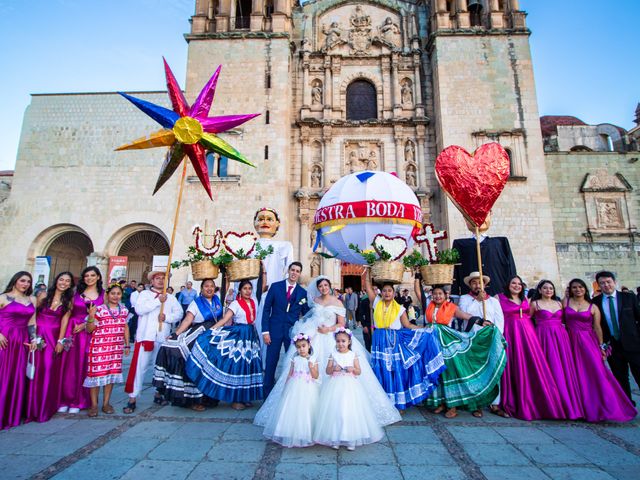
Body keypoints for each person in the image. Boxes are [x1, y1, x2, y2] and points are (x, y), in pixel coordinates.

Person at [255, 276, 401, 428]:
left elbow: (341, 324)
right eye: (321, 286)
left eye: (326, 285)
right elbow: (308, 316)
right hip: (315, 337)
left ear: (330, 286)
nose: (323, 288)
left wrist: (328, 329)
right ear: (318, 288)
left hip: (332, 338)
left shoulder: (337, 302)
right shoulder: (315, 301)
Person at [363, 270, 445, 410]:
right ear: (380, 293)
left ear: (394, 293)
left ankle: (397, 403)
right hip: (379, 340)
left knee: (394, 370)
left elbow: (407, 325)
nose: (387, 293)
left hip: (393, 341)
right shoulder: (376, 302)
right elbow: (367, 286)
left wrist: (422, 329)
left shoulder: (400, 309)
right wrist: (368, 271)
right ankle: (382, 402)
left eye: (389, 291)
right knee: (381, 369)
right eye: (384, 291)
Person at [423, 285, 506, 419]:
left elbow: (466, 316)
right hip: (432, 343)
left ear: (446, 295)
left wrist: (481, 321)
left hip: (447, 343)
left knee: (448, 372)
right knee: (436, 372)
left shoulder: (451, 308)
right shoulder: (429, 307)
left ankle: (453, 406)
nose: (437, 296)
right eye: (435, 294)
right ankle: (441, 402)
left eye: (440, 294)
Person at [564, 278, 636, 422]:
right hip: (570, 342)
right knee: (575, 374)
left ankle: (607, 406)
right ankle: (580, 407)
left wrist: (601, 346)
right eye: (574, 287)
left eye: (580, 287)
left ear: (585, 289)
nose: (578, 290)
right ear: (570, 290)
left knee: (596, 372)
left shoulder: (593, 306)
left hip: (588, 342)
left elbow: (597, 327)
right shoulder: (565, 302)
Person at [187, 280, 263, 410]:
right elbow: (224, 319)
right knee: (238, 366)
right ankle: (235, 399)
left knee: (249, 366)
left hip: (251, 335)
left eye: (250, 288)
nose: (247, 291)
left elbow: (262, 288)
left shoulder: (254, 302)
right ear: (240, 290)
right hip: (239, 335)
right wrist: (210, 331)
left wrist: (264, 272)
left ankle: (245, 397)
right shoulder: (235, 303)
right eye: (244, 288)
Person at [497, 276, 564, 420]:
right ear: (507, 285)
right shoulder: (499, 298)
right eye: (513, 283)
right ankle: (518, 401)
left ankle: (539, 401)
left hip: (528, 335)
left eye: (519, 284)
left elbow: (532, 317)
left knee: (532, 366)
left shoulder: (527, 300)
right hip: (511, 333)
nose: (516, 286)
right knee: (514, 365)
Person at [153, 278, 223, 410]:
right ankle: (194, 400)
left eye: (212, 286)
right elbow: (187, 320)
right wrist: (176, 334)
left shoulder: (217, 301)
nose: (209, 288)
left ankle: (208, 397)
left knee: (210, 367)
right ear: (201, 289)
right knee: (196, 365)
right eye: (206, 286)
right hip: (200, 335)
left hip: (213, 336)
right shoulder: (196, 303)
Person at [313, 328, 385, 451]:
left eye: (343, 341)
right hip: (335, 384)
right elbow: (327, 371)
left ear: (349, 342)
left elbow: (359, 371)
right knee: (335, 410)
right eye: (338, 341)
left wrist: (353, 369)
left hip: (350, 385)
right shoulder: (333, 354)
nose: (340, 344)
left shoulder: (353, 355)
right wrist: (333, 368)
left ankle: (351, 438)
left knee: (348, 409)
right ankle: (335, 438)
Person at [123, 269, 183, 414]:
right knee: (140, 368)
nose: (161, 280)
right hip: (145, 337)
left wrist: (167, 317)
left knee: (160, 367)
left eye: (163, 278)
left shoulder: (171, 297)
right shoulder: (144, 295)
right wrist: (158, 301)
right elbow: (139, 310)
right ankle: (133, 398)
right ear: (152, 281)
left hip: (162, 337)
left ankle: (158, 392)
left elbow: (179, 313)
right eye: (158, 278)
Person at [530, 280, 583, 419]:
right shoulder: (534, 304)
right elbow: (528, 320)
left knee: (563, 368)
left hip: (560, 338)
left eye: (551, 288)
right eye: (545, 288)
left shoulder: (560, 303)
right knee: (549, 368)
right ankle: (550, 403)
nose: (548, 290)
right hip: (543, 337)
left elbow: (568, 319)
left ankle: (567, 403)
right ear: (540, 290)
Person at [27, 272, 74, 423]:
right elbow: (32, 316)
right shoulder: (42, 295)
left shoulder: (68, 301)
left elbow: (65, 322)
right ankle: (29, 407)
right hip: (38, 334)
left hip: (53, 337)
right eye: (61, 279)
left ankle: (44, 407)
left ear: (70, 284)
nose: (64, 283)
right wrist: (33, 336)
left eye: (67, 281)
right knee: (33, 369)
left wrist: (61, 341)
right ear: (56, 280)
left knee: (48, 369)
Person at [260, 262, 310, 397]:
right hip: (274, 330)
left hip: (292, 333)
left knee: (291, 363)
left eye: (297, 271)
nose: (294, 273)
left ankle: (287, 395)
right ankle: (267, 396)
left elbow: (306, 314)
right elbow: (266, 309)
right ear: (288, 271)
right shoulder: (275, 287)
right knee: (271, 362)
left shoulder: (302, 293)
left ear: (300, 274)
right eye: (292, 270)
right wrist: (265, 331)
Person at [59, 266, 104, 414]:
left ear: (98, 277)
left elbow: (102, 316)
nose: (89, 278)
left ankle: (80, 400)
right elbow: (66, 314)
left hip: (91, 332)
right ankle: (66, 399)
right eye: (86, 276)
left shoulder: (103, 295)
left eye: (92, 275)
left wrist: (85, 324)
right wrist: (62, 337)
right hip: (73, 330)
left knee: (85, 366)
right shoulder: (75, 293)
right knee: (69, 366)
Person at [261, 333, 319, 447]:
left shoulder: (313, 359)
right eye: (298, 347)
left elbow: (316, 376)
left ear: (309, 345)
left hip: (308, 387)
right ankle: (289, 431)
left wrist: (311, 366)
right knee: (293, 408)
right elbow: (290, 373)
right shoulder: (295, 358)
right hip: (294, 386)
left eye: (303, 346)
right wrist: (286, 386)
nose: (301, 349)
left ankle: (306, 432)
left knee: (307, 409)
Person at [592, 271, 640, 405]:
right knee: (620, 376)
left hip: (634, 344)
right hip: (613, 345)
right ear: (598, 285)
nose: (606, 285)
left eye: (608, 282)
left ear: (614, 282)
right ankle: (627, 404)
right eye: (602, 283)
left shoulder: (628, 298)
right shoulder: (596, 302)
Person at [84, 283, 130, 417]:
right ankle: (93, 405)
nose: (115, 296)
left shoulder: (124, 310)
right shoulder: (99, 309)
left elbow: (125, 327)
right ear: (107, 295)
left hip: (115, 347)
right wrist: (91, 316)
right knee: (96, 375)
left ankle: (106, 403)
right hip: (100, 345)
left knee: (110, 375)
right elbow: (89, 329)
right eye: (113, 293)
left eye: (118, 294)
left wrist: (127, 344)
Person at [0, 271, 37, 430]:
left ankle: (11, 413)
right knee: (2, 374)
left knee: (16, 375)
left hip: (22, 341)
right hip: (4, 339)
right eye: (22, 281)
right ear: (15, 281)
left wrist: (34, 338)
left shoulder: (32, 299)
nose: (25, 284)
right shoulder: (3, 297)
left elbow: (32, 322)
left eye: (28, 282)